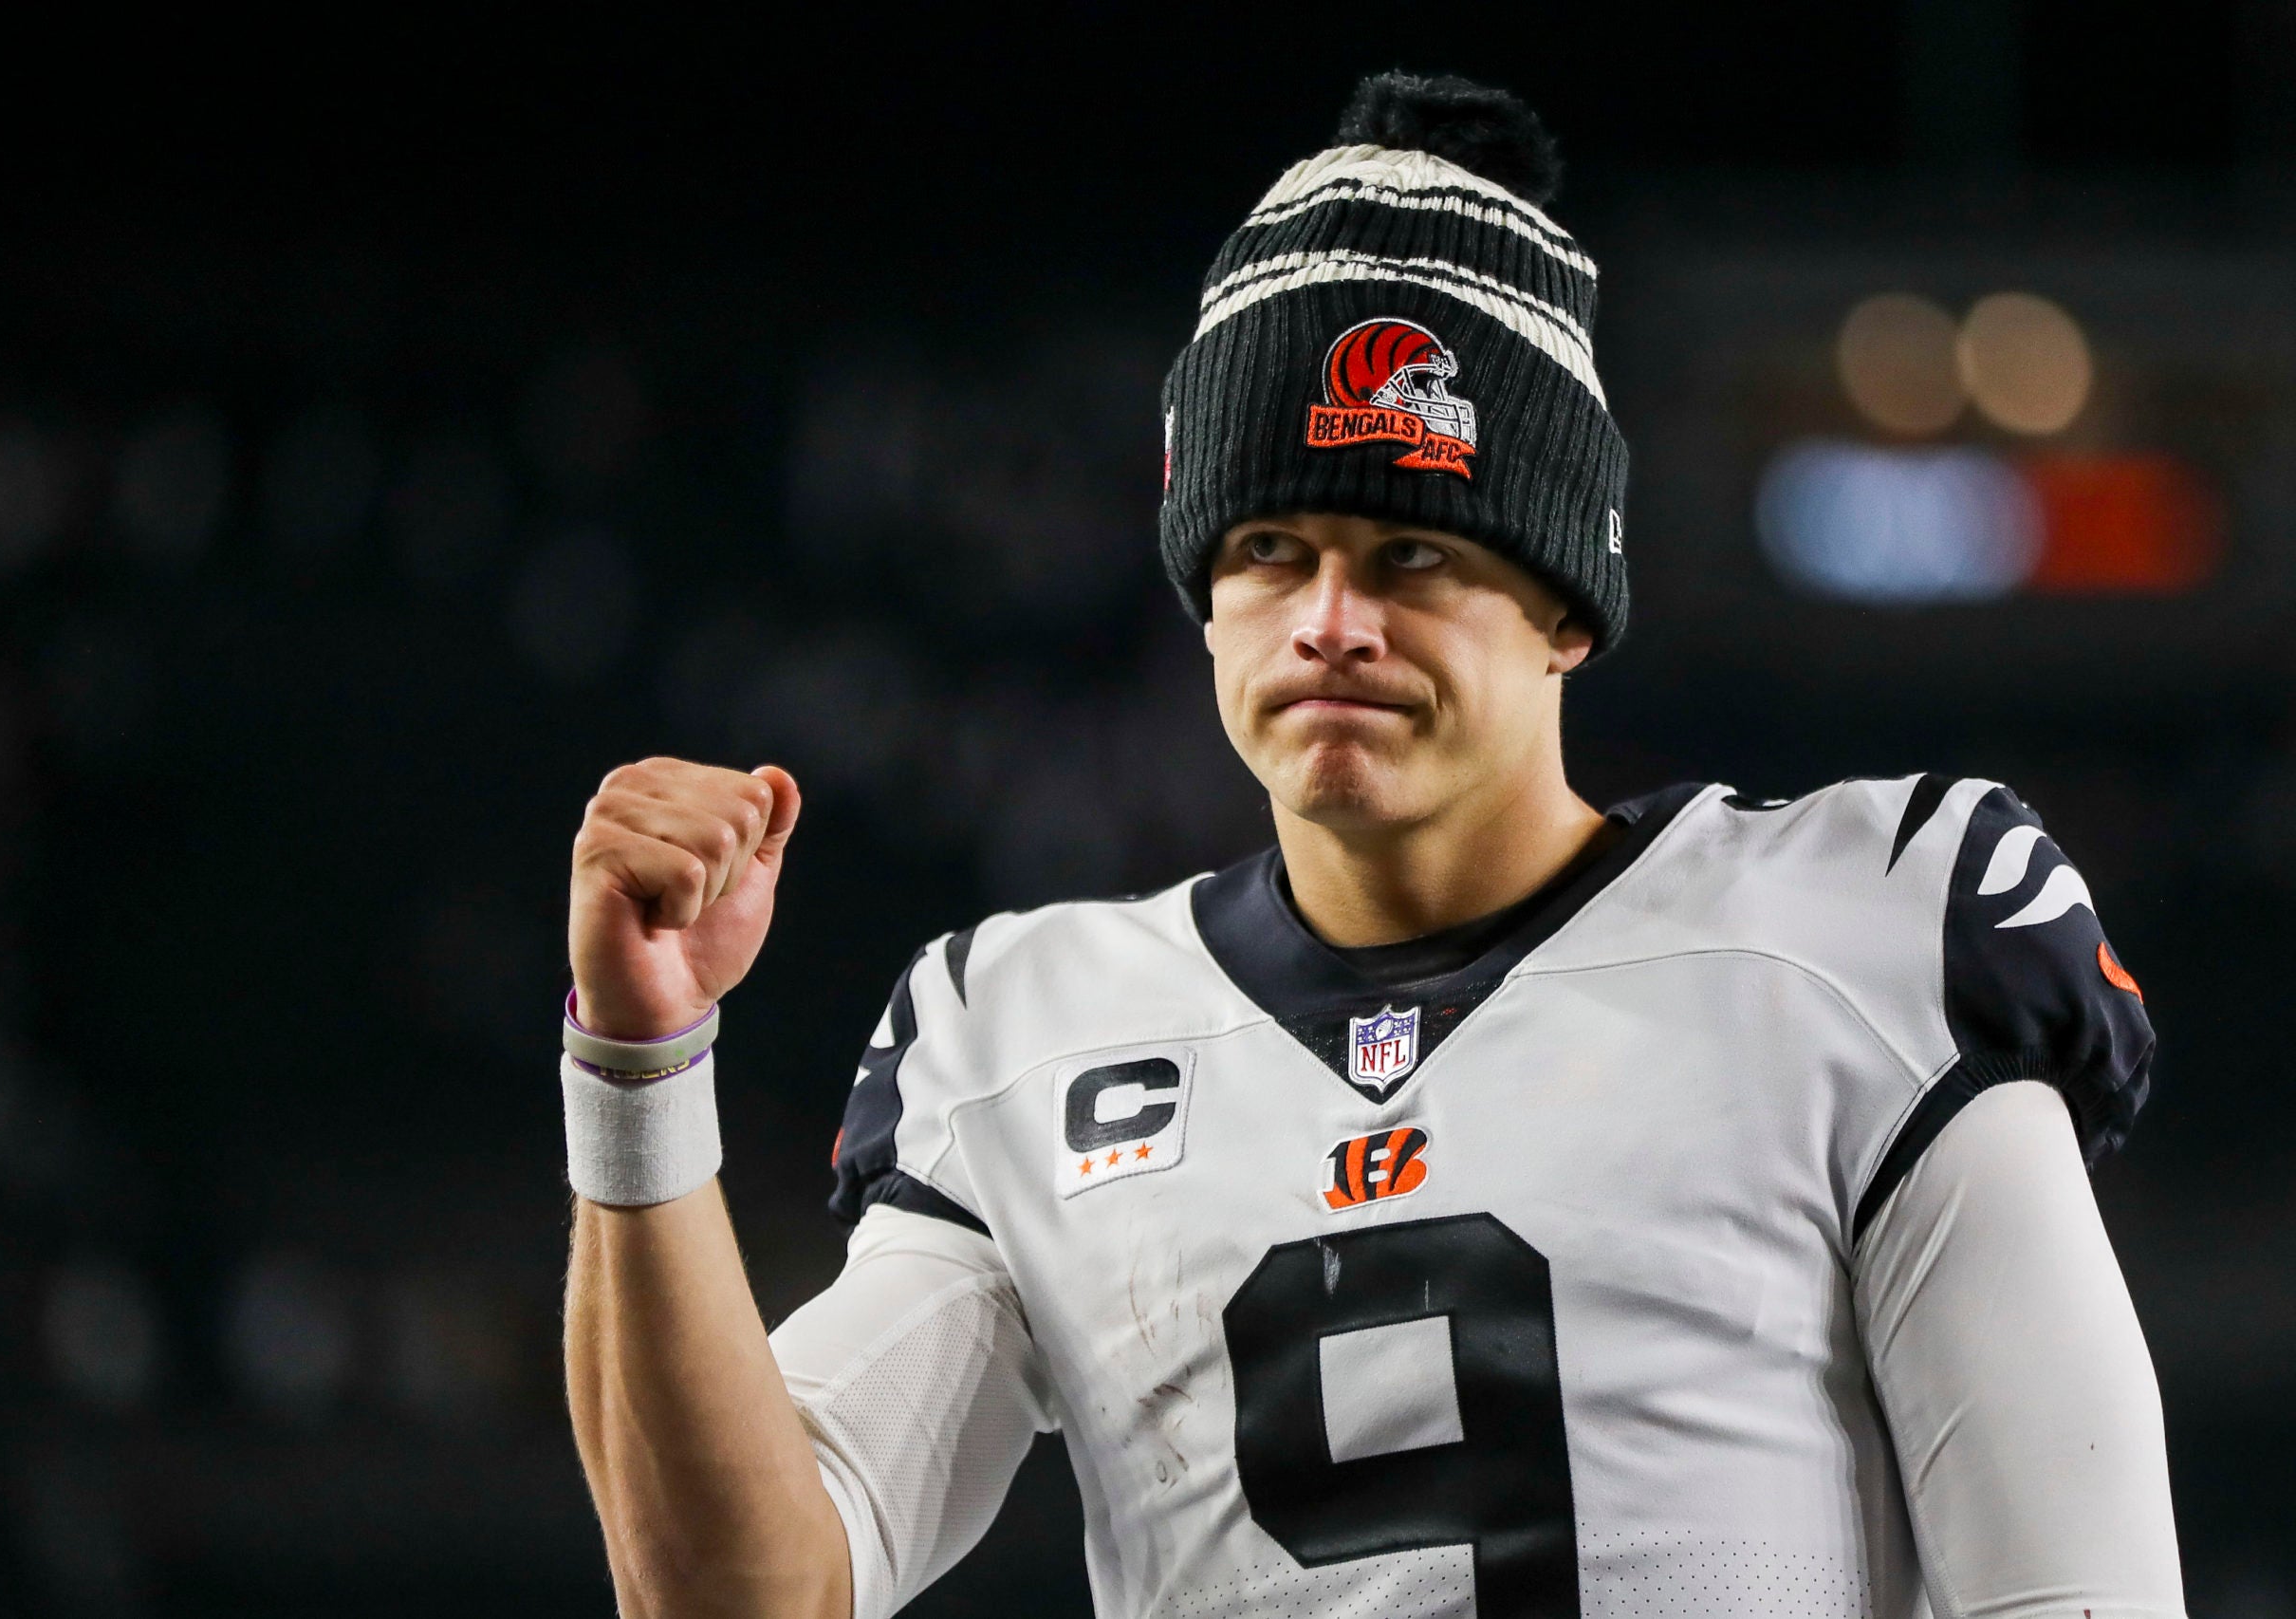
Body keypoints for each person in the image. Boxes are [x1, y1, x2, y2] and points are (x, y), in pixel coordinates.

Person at [559, 73, 2184, 1619]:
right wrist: (640, 1067)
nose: (1332, 623)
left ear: (1564, 603)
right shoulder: (1023, 1034)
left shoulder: (1862, 943)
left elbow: (2082, 1585)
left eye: (1410, 548)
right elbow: (746, 1592)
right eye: (1270, 548)